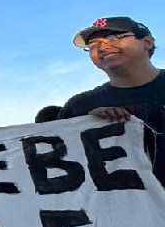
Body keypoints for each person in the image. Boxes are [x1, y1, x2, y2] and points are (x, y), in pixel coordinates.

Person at [61, 16, 164, 183]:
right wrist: (88, 125)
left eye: (112, 37)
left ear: (147, 42)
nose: (102, 47)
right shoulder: (78, 108)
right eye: (93, 46)